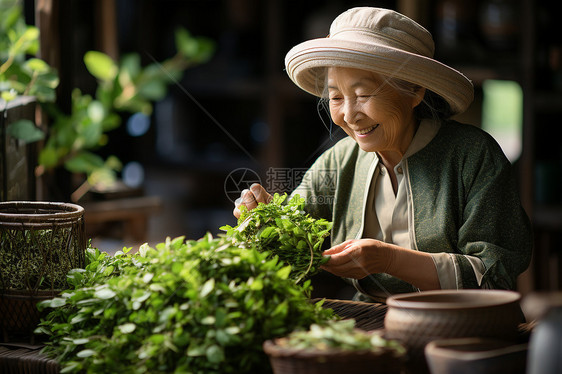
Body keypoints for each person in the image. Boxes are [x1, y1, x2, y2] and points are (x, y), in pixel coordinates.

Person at [233, 7, 532, 302]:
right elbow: (292, 248)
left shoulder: (472, 155)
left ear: (414, 91)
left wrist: (388, 260)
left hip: (464, 328)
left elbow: (495, 277)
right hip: (371, 322)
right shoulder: (339, 161)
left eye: (363, 95)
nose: (349, 115)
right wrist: (265, 222)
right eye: (336, 97)